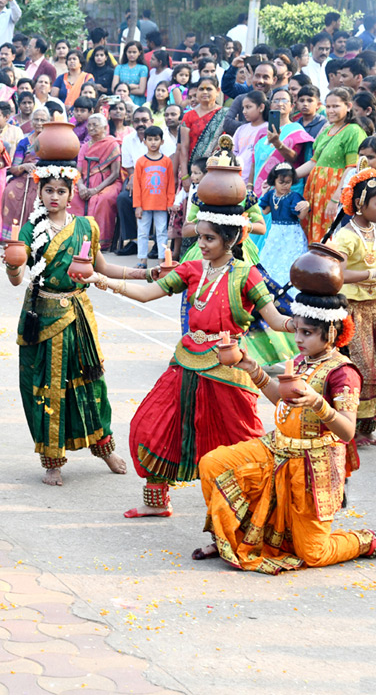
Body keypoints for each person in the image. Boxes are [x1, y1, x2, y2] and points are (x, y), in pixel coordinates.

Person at [91, 189, 295, 518]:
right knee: (154, 424)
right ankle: (156, 501)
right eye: (199, 237)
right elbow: (146, 294)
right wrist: (104, 281)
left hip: (228, 367)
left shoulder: (246, 275)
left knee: (238, 441)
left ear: (230, 239)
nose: (201, 245)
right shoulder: (191, 270)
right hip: (184, 361)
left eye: (209, 239)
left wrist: (303, 322)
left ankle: (254, 507)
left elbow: (275, 319)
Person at [196, 281, 376, 572]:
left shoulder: (343, 373)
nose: (297, 338)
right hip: (277, 449)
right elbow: (281, 400)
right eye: (296, 330)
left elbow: (346, 431)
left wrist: (317, 402)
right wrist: (249, 366)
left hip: (313, 466)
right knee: (213, 463)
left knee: (314, 554)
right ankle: (229, 538)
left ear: (331, 333)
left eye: (306, 333)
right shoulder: (302, 360)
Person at [5, 156, 134, 484]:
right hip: (42, 318)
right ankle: (52, 461)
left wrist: (145, 273)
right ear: (40, 191)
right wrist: (11, 265)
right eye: (48, 190)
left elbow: (103, 268)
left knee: (92, 386)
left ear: (71, 193)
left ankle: (106, 450)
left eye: (61, 191)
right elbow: (17, 280)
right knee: (47, 389)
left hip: (77, 318)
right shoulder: (31, 229)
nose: (54, 197)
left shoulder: (86, 226)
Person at [332, 167, 376, 446]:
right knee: (359, 367)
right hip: (351, 311)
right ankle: (351, 428)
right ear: (360, 203)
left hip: (375, 309)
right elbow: (340, 275)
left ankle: (368, 428)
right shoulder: (344, 236)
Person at [298, 87, 366, 242]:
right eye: (328, 107)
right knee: (315, 235)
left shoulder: (353, 131)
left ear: (348, 106)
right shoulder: (327, 130)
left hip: (334, 191)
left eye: (336, 106)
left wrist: (336, 199)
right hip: (316, 191)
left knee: (331, 236)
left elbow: (351, 168)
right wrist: (286, 175)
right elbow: (312, 162)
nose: (330, 110)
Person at [256, 163, 310, 291]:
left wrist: (306, 206)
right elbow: (265, 211)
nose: (285, 185)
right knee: (271, 259)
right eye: (281, 182)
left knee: (290, 259)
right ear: (274, 181)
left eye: (288, 182)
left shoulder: (294, 196)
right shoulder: (270, 195)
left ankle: (290, 291)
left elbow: (301, 216)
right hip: (275, 232)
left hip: (292, 234)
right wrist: (264, 193)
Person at [252, 87, 312, 198]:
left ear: (292, 106)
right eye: (276, 100)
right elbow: (254, 162)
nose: (280, 104)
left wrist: (277, 144)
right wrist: (249, 186)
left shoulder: (296, 130)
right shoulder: (262, 132)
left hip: (285, 188)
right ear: (270, 106)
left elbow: (294, 158)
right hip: (260, 187)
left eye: (284, 100)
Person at [75, 114, 122, 248]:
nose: (91, 128)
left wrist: (96, 189)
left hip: (107, 183)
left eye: (95, 125)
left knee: (101, 200)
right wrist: (81, 186)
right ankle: (77, 238)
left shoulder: (112, 144)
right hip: (85, 182)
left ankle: (99, 242)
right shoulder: (84, 146)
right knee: (72, 196)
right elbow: (77, 171)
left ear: (105, 127)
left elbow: (114, 174)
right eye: (89, 125)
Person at [133, 125, 175, 264]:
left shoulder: (166, 161)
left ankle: (162, 261)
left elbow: (170, 184)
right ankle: (142, 260)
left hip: (161, 204)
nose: (153, 142)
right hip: (144, 205)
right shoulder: (141, 162)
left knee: (162, 232)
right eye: (150, 139)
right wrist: (137, 205)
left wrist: (170, 203)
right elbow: (137, 186)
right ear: (144, 141)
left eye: (156, 139)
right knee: (143, 232)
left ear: (162, 141)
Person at [177, 77, 226, 193]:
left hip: (217, 171)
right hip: (193, 172)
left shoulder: (225, 114)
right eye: (201, 89)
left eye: (209, 89)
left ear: (218, 91)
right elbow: (183, 148)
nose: (204, 92)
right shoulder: (188, 116)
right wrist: (185, 176)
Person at [233, 90, 270, 186]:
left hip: (258, 178)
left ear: (261, 107)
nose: (244, 111)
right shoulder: (241, 129)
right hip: (238, 178)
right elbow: (234, 152)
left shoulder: (267, 128)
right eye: (243, 108)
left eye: (248, 107)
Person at [112, 41, 148, 108]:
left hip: (137, 102)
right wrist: (134, 86)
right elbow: (114, 88)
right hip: (120, 101)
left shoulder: (143, 68)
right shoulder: (119, 68)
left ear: (139, 53)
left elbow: (141, 91)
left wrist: (122, 91)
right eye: (129, 52)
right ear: (125, 53)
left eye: (134, 52)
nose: (131, 54)